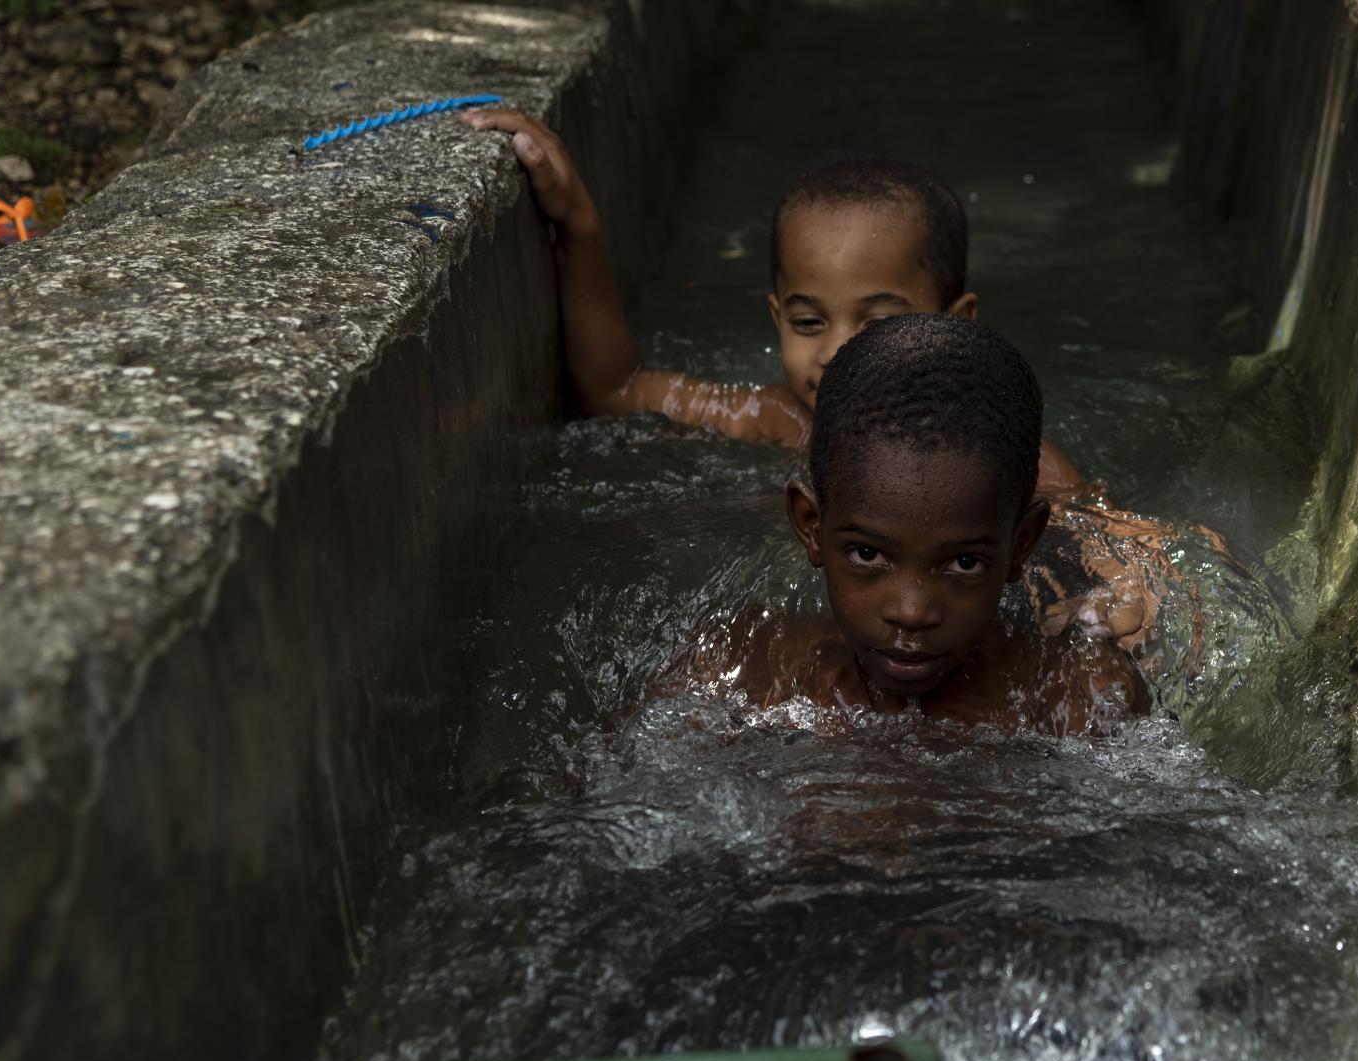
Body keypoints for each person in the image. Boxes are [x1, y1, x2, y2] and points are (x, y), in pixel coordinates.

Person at [459, 108, 1087, 497]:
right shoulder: (780, 420)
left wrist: (1119, 580)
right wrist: (578, 226)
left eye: (879, 321)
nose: (839, 351)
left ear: (958, 326)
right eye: (809, 321)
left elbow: (1110, 530)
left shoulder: (994, 445)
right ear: (776, 319)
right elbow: (616, 393)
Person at [651, 314, 1148, 735]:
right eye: (867, 555)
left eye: (964, 562)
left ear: (1021, 545)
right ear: (811, 526)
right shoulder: (740, 668)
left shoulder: (1071, 696)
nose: (912, 612)